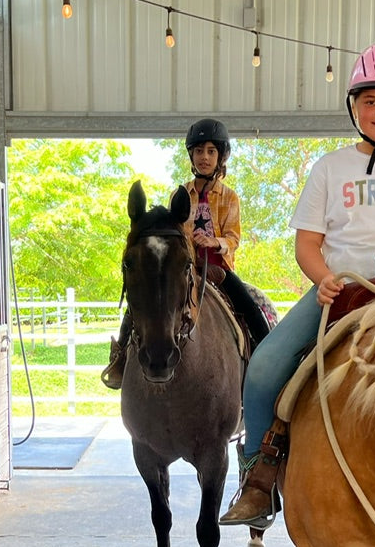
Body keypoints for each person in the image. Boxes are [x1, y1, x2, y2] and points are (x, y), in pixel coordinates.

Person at [219, 42, 375, 527]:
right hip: (342, 291)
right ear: (353, 106)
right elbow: (308, 244)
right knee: (266, 367)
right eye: (370, 100)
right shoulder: (330, 168)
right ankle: (258, 479)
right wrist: (324, 279)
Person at [101, 117, 271, 388]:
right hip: (184, 267)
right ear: (191, 155)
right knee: (142, 304)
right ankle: (120, 358)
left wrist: (214, 242)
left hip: (218, 269)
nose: (205, 157)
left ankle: (266, 355)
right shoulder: (180, 194)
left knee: (249, 305)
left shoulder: (229, 197)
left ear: (220, 157)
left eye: (211, 151)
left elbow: (233, 237)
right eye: (199, 151)